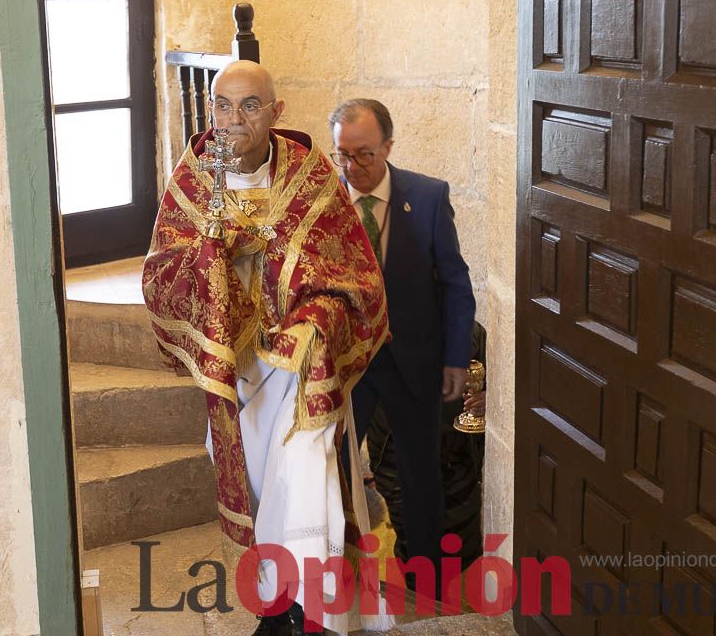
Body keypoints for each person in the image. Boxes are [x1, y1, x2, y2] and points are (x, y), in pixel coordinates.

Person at [143, 62, 390, 636]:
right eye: (224, 106)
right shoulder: (194, 176)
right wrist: (212, 253)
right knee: (256, 486)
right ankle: (279, 604)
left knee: (306, 472)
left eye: (250, 105)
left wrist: (314, 322)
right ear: (211, 112)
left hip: (303, 367)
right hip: (237, 366)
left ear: (276, 112)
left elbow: (352, 273)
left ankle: (312, 613)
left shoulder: (309, 175)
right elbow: (161, 273)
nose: (235, 120)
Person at [328, 98, 475, 592]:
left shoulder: (429, 197)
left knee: (420, 473)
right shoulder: (324, 203)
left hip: (414, 359)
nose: (353, 167)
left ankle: (426, 576)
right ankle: (338, 568)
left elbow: (455, 282)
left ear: (388, 146)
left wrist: (457, 358)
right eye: (342, 155)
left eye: (364, 154)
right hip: (348, 364)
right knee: (333, 468)